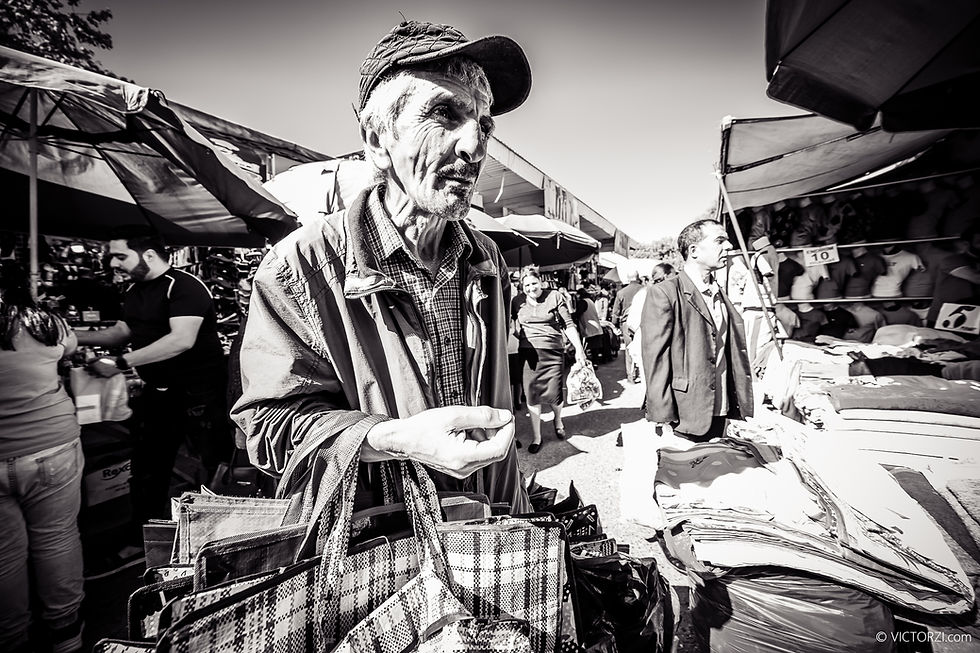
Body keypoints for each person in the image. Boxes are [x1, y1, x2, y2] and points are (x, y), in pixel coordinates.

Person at [232, 20, 533, 515]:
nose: (475, 147)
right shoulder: (299, 265)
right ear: (377, 139)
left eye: (483, 124)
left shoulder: (485, 258)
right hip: (379, 549)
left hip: (495, 528)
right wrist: (393, 439)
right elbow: (268, 427)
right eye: (444, 114)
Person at [76, 227, 230, 541]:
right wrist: (69, 335)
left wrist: (120, 363)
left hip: (199, 395)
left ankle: (219, 537)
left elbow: (181, 340)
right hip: (157, 394)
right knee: (148, 468)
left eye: (120, 256)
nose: (114, 264)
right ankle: (142, 540)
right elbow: (121, 332)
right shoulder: (133, 291)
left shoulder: (184, 286)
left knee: (214, 465)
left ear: (147, 254)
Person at [0, 261, 85, 653]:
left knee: (5, 556)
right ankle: (67, 635)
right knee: (57, 540)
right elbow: (70, 351)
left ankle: (12, 637)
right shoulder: (46, 324)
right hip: (52, 447)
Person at [641, 220, 754, 441]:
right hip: (686, 411)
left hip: (721, 404)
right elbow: (655, 358)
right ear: (694, 251)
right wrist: (660, 413)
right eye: (720, 241)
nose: (729, 246)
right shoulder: (665, 293)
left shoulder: (718, 292)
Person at [512, 266, 588, 453]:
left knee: (555, 394)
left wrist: (579, 349)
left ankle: (558, 419)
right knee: (532, 395)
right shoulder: (517, 301)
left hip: (553, 352)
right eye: (527, 285)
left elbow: (568, 325)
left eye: (534, 283)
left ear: (541, 282)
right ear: (522, 287)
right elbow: (513, 325)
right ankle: (537, 437)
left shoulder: (554, 296)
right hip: (528, 354)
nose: (531, 288)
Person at [611, 268, 645, 382]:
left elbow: (616, 312)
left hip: (627, 324)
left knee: (629, 349)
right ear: (638, 277)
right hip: (643, 322)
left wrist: (614, 325)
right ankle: (643, 374)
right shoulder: (644, 290)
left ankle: (631, 377)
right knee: (643, 348)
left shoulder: (621, 292)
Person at [573, 286, 604, 363]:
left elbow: (577, 314)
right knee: (594, 348)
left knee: (588, 347)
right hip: (595, 327)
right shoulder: (590, 301)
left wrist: (571, 315)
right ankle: (595, 362)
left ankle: (590, 363)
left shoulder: (582, 302)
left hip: (589, 328)